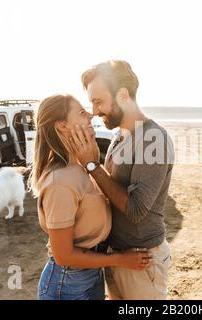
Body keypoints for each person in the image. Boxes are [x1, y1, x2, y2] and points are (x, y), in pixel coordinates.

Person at [29, 94, 151, 300]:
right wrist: (120, 260)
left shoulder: (80, 166)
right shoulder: (60, 181)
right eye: (81, 112)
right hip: (67, 283)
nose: (91, 115)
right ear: (62, 126)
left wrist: (93, 163)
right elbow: (63, 255)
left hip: (90, 273)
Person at [70, 60, 175, 299]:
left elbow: (137, 209)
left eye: (98, 101)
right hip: (117, 256)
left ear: (123, 95)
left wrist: (92, 165)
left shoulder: (153, 139)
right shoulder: (121, 135)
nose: (94, 111)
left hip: (141, 261)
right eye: (92, 103)